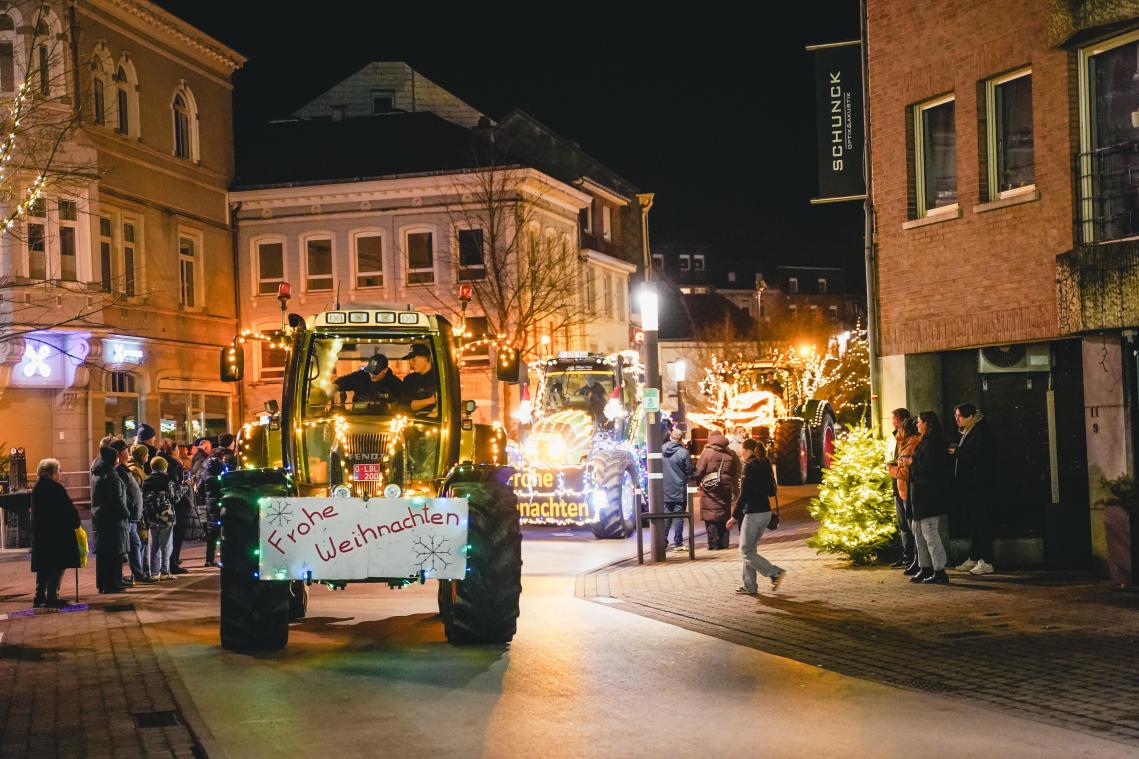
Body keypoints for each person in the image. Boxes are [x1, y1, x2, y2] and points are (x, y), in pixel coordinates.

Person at [727, 438, 785, 594]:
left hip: (753, 513)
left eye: (742, 451)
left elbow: (744, 494)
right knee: (750, 550)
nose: (741, 454)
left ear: (747, 451)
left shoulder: (749, 467)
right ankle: (750, 585)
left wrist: (734, 516)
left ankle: (774, 572)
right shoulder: (766, 464)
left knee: (745, 551)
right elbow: (772, 491)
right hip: (766, 512)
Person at [908, 411, 953, 585]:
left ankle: (939, 570)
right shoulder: (926, 441)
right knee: (918, 531)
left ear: (927, 423)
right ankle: (925, 567)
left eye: (919, 422)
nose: (917, 424)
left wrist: (912, 463)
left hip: (929, 495)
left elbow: (930, 468)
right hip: (921, 494)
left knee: (930, 532)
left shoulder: (934, 443)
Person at [953, 403, 997, 575]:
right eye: (956, 416)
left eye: (960, 416)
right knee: (975, 522)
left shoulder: (980, 433)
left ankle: (985, 560)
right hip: (973, 486)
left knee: (981, 522)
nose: (957, 419)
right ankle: (975, 556)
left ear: (970, 416)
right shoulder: (971, 431)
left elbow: (978, 458)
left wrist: (957, 453)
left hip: (980, 486)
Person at [31, 458, 81, 608]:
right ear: (53, 473)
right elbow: (67, 509)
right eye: (59, 471)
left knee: (44, 565)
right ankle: (52, 596)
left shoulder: (37, 488)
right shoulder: (56, 488)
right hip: (58, 533)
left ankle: (39, 595)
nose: (60, 473)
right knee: (57, 565)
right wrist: (75, 522)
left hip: (42, 533)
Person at [91, 446, 129, 594]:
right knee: (114, 553)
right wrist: (126, 513)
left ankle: (103, 584)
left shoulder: (97, 473)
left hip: (100, 517)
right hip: (113, 520)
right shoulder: (111, 475)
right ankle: (114, 583)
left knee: (103, 554)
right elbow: (117, 499)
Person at [694, 430, 740, 550]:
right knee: (724, 515)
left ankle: (713, 545)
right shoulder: (731, 453)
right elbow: (737, 471)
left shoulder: (707, 453)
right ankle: (724, 543)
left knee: (711, 517)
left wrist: (699, 482)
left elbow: (698, 472)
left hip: (710, 490)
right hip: (725, 489)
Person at [202, 434, 239, 567]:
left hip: (211, 497)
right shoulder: (229, 457)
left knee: (212, 530)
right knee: (228, 528)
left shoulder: (210, 457)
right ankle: (227, 558)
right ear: (231, 443)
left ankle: (209, 558)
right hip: (224, 497)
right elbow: (233, 477)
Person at [886, 407, 916, 570]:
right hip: (898, 484)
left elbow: (905, 470)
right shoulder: (896, 438)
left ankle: (912, 557)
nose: (892, 422)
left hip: (904, 485)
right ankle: (907, 556)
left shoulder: (910, 441)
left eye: (894, 419)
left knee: (910, 524)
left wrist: (890, 468)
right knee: (903, 524)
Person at [143, 456, 178, 580]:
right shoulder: (167, 480)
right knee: (166, 544)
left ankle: (154, 572)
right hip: (166, 516)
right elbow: (175, 498)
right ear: (164, 466)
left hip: (152, 516)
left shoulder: (146, 480)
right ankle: (164, 571)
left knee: (153, 546)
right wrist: (185, 487)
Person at [159, 440, 191, 575]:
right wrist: (186, 485)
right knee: (175, 534)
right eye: (177, 448)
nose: (179, 451)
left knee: (173, 535)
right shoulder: (171, 465)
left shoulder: (169, 463)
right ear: (172, 450)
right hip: (176, 505)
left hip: (173, 505)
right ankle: (172, 563)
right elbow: (174, 488)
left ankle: (173, 562)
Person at [662, 426, 694, 551]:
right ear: (681, 439)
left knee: (666, 516)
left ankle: (663, 542)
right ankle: (678, 543)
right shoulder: (683, 452)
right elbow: (689, 469)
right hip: (679, 488)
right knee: (679, 515)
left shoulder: (660, 450)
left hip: (665, 488)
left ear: (670, 437)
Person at [334, 353, 402, 412]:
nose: (372, 375)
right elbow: (339, 383)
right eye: (370, 371)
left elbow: (404, 403)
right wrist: (329, 390)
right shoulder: (360, 377)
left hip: (387, 422)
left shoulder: (395, 383)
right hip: (358, 421)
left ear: (385, 370)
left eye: (376, 372)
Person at [128, 444, 152, 579]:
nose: (148, 456)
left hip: (141, 509)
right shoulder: (136, 472)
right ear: (142, 456)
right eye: (146, 454)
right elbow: (136, 493)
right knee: (140, 541)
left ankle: (143, 570)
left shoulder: (138, 470)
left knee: (142, 540)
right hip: (139, 511)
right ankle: (140, 571)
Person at [401, 344, 438, 416]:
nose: (410, 363)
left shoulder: (439, 377)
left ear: (425, 358)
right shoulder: (409, 380)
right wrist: (431, 400)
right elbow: (406, 405)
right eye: (409, 360)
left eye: (413, 359)